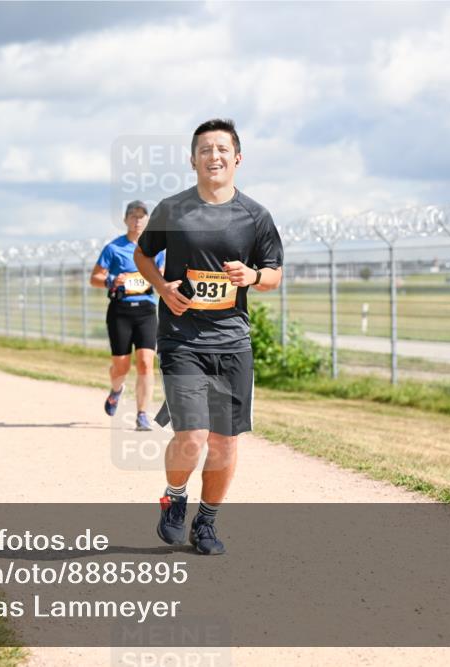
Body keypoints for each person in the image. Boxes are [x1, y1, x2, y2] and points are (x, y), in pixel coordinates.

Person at [134, 118, 283, 555]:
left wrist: (253, 275)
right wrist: (162, 288)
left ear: (237, 158)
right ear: (192, 159)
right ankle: (175, 498)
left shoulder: (255, 216)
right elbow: (144, 255)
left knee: (224, 440)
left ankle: (207, 523)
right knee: (193, 435)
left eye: (222, 149)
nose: (213, 156)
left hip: (233, 341)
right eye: (205, 150)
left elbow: (274, 275)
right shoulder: (173, 209)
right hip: (182, 337)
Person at [89, 201, 165, 430]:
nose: (137, 220)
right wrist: (113, 280)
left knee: (145, 363)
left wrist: (160, 279)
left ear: (148, 220)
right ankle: (116, 389)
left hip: (146, 310)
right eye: (133, 216)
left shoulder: (156, 250)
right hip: (120, 310)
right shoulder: (113, 248)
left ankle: (142, 414)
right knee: (121, 366)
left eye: (142, 216)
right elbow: (94, 279)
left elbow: (161, 277)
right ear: (125, 220)